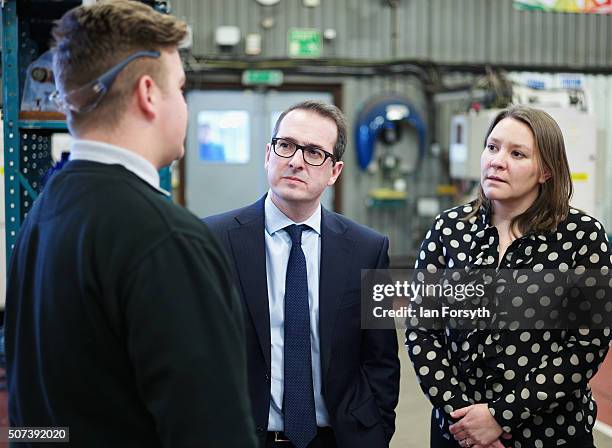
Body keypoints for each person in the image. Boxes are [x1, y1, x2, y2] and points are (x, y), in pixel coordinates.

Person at [4, 2, 256, 447]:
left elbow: (32, 417)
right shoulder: (166, 239)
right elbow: (213, 431)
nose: (184, 103)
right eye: (180, 88)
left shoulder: (42, 216)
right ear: (147, 93)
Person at [406, 105, 611, 448]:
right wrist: (465, 420)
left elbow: (586, 344)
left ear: (546, 170)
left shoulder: (582, 237)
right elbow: (422, 330)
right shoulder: (449, 230)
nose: (497, 161)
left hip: (549, 435)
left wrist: (501, 416)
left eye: (517, 154)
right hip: (459, 432)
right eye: (492, 147)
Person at [204, 100, 400, 448]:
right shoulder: (213, 240)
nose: (295, 161)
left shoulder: (369, 250)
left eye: (313, 152)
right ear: (269, 153)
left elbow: (381, 359)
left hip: (338, 439)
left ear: (334, 172)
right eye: (286, 146)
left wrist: (375, 431)